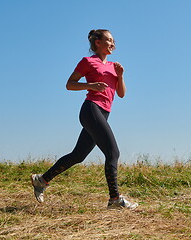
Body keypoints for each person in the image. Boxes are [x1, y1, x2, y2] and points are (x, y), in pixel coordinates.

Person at [31, 29, 138, 210]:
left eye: (114, 41)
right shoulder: (88, 62)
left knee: (78, 155)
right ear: (98, 42)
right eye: (109, 40)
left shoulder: (114, 66)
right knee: (113, 152)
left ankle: (41, 180)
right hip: (91, 109)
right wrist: (91, 85)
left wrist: (120, 75)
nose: (113, 44)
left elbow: (121, 94)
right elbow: (69, 84)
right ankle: (115, 199)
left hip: (104, 113)